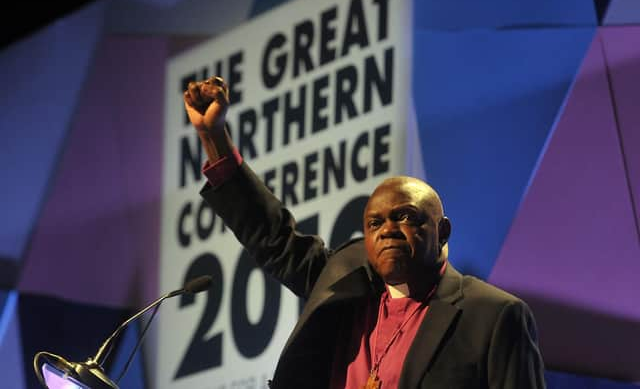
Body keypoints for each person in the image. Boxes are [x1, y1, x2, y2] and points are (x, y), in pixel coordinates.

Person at [184, 76, 546, 388]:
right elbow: (273, 237)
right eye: (375, 223)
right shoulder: (347, 286)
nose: (387, 230)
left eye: (404, 217)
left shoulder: (493, 315)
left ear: (443, 231)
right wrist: (213, 137)